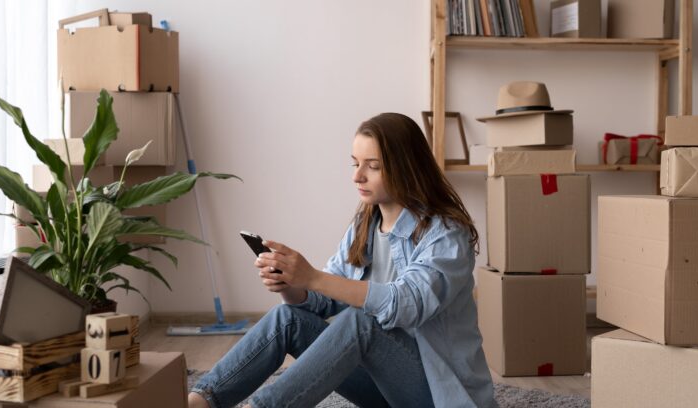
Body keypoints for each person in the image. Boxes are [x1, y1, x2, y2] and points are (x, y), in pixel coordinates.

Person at [188, 113, 496, 408]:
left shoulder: (444, 235)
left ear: (406, 167)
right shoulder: (366, 224)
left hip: (439, 395)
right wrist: (289, 284)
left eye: (372, 166)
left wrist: (312, 277)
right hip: (384, 388)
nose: (357, 176)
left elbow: (406, 305)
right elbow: (321, 300)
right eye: (355, 163)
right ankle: (200, 401)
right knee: (288, 319)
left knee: (362, 321)